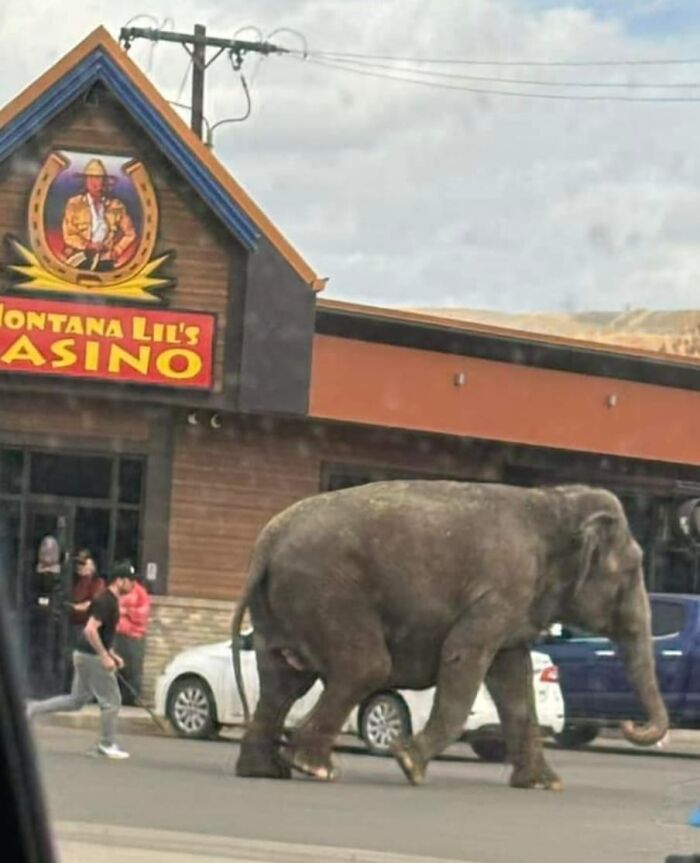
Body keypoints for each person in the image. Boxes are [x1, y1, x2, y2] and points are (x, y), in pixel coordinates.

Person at [27, 561, 135, 759]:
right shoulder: (107, 601)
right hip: (91, 656)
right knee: (112, 701)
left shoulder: (108, 600)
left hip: (84, 654)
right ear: (120, 581)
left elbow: (103, 633)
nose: (133, 585)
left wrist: (112, 655)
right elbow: (90, 630)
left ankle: (32, 708)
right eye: (130, 580)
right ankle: (106, 744)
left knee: (76, 700)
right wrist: (104, 656)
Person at [61, 158, 136, 271]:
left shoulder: (116, 206)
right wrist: (88, 245)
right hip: (80, 258)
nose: (93, 182)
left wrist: (117, 250)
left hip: (105, 260)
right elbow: (69, 235)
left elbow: (130, 234)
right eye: (90, 177)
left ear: (104, 181)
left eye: (98, 178)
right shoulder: (74, 204)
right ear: (85, 181)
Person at [114, 564, 151, 706]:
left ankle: (131, 698)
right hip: (117, 634)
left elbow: (143, 614)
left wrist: (127, 611)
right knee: (116, 668)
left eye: (129, 580)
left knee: (133, 669)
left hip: (134, 636)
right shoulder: (116, 591)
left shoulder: (140, 593)